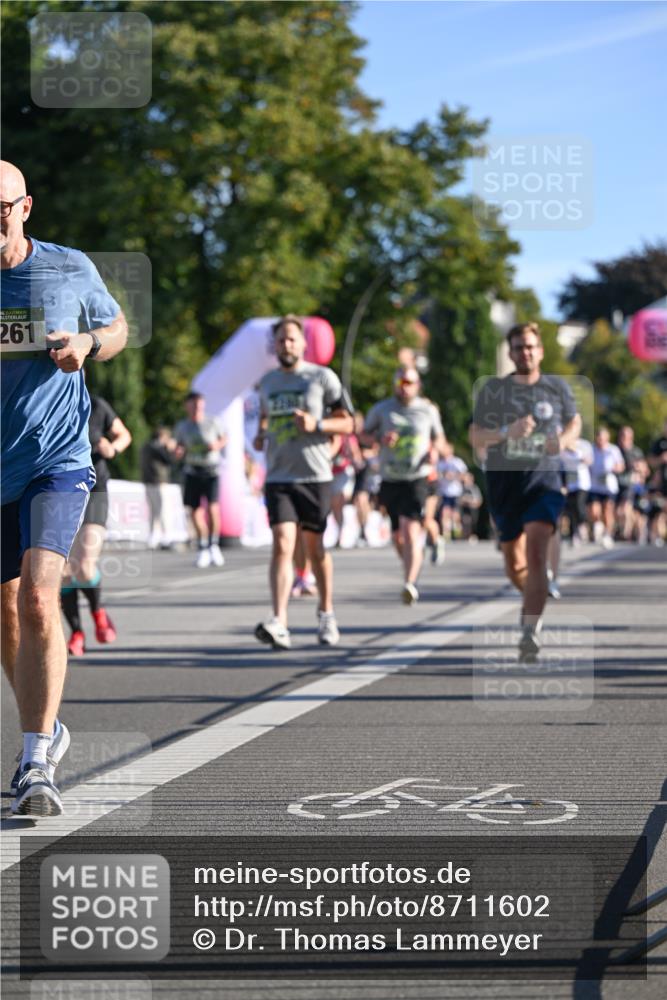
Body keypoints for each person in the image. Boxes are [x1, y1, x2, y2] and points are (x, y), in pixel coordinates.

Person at [0, 160, 127, 816]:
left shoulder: (68, 267)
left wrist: (87, 345)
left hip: (56, 461)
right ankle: (45, 729)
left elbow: (118, 328)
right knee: (8, 607)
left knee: (41, 599)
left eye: (2, 207)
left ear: (26, 207)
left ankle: (32, 762)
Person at [470, 322, 581, 661]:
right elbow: (476, 436)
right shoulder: (494, 391)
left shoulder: (556, 388)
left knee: (536, 555)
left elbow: (574, 422)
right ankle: (534, 595)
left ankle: (530, 630)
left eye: (531, 346)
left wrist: (562, 441)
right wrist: (508, 431)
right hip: (505, 484)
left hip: (543, 481)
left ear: (541, 350)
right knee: (514, 564)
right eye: (519, 347)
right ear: (510, 352)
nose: (525, 352)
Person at [254, 314, 353, 649]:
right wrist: (260, 436)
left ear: (303, 343)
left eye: (292, 339)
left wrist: (317, 425)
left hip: (315, 475)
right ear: (275, 345)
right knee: (282, 544)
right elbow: (265, 419)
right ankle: (279, 621)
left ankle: (326, 613)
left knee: (315, 548)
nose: (287, 345)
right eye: (281, 340)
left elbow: (348, 423)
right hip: (279, 476)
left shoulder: (322, 377)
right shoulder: (266, 382)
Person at [363, 366, 447, 604]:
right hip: (390, 478)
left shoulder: (427, 410)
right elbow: (363, 436)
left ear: (417, 385)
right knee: (398, 538)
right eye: (400, 382)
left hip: (417, 477)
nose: (405, 387)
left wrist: (434, 451)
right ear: (394, 385)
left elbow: (438, 438)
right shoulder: (381, 410)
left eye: (409, 382)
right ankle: (412, 564)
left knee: (411, 531)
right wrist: (381, 439)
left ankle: (409, 583)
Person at [61, 395, 132, 655]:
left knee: (85, 563)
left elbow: (124, 435)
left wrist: (112, 449)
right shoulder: (52, 403)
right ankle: (76, 632)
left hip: (95, 490)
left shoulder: (97, 405)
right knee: (64, 571)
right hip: (62, 492)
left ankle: (98, 611)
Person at [174, 391, 227, 568]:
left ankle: (214, 545)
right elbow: (178, 446)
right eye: (193, 405)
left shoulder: (212, 422)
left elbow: (224, 437)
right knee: (194, 511)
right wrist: (178, 451)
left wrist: (217, 445)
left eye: (199, 405)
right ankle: (203, 546)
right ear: (187, 406)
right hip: (192, 471)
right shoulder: (182, 426)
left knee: (212, 509)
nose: (197, 408)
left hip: (211, 470)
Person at [141, 425, 180, 549]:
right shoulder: (157, 447)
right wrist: (170, 449)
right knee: (162, 510)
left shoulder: (147, 446)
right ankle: (165, 536)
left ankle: (154, 536)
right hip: (159, 482)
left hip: (149, 481)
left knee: (154, 510)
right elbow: (169, 460)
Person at [588, 427, 624, 548]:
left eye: (602, 438)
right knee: (594, 510)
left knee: (608, 510)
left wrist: (613, 468)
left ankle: (608, 535)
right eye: (598, 438)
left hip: (609, 486)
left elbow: (621, 466)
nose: (600, 441)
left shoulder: (613, 450)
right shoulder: (591, 449)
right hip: (594, 485)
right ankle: (598, 525)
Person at [615, 426, 644, 542]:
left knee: (624, 509)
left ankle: (625, 534)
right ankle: (632, 529)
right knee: (621, 511)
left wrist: (639, 469)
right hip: (617, 484)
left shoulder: (636, 452)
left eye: (626, 437)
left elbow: (645, 469)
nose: (624, 439)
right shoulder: (615, 450)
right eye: (622, 436)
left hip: (630, 485)